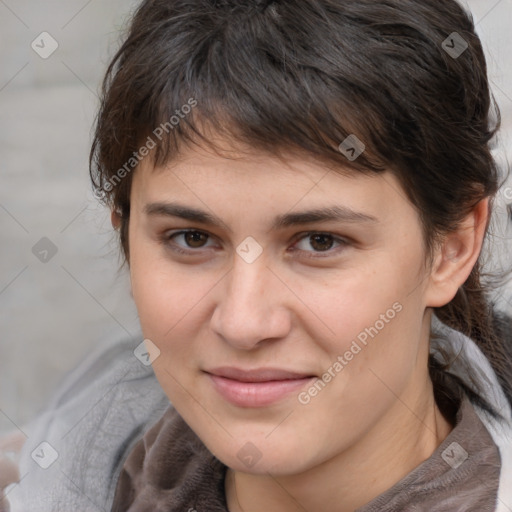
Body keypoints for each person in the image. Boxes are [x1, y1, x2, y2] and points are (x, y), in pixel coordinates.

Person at [4, 0, 512, 510]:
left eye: (320, 241)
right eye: (192, 238)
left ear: (452, 247)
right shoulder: (49, 468)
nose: (244, 323)